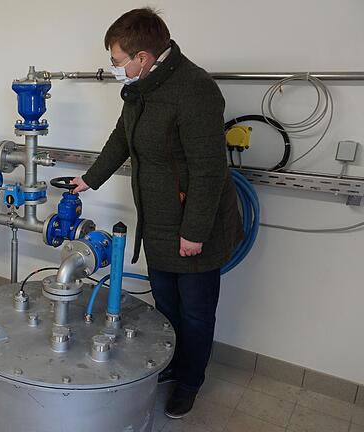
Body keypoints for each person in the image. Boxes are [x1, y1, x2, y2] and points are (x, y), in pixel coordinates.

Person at [70, 8, 243, 418]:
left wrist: (195, 232)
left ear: (143, 56)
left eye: (117, 61)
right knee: (166, 304)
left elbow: (209, 169)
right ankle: (170, 364)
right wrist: (90, 180)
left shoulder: (194, 89)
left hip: (193, 225)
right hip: (159, 220)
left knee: (196, 313)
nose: (114, 68)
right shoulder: (142, 87)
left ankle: (190, 382)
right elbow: (121, 138)